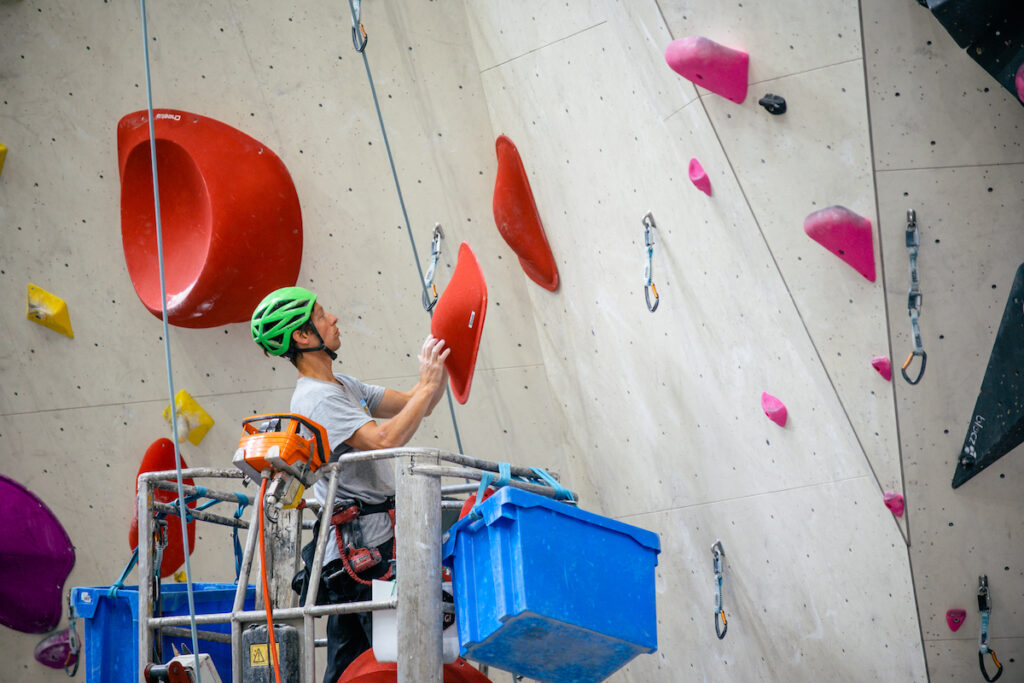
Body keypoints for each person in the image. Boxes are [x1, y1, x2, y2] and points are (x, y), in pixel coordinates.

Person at [250, 286, 449, 682]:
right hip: (360, 559)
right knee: (396, 663)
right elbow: (385, 440)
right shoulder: (317, 400)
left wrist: (440, 366)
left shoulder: (343, 386)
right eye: (322, 315)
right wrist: (427, 386)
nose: (334, 319)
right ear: (304, 337)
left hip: (365, 553)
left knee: (353, 669)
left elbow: (414, 402)